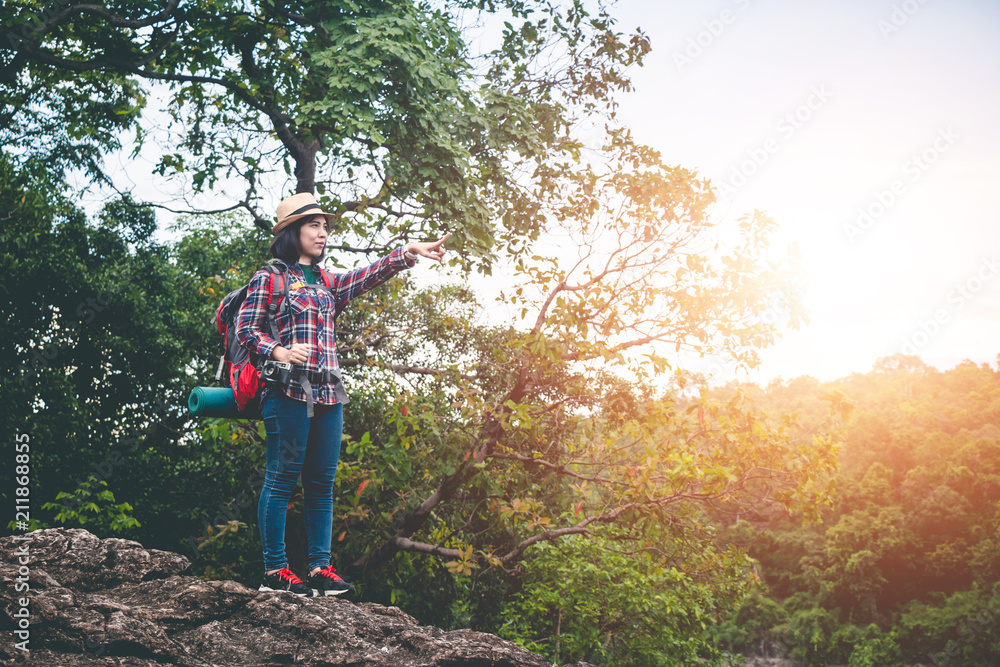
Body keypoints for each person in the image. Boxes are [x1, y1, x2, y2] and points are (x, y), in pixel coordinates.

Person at [236, 192, 448, 597]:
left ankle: (319, 568)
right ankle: (275, 571)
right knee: (281, 479)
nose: (322, 233)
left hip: (329, 393)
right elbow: (248, 329)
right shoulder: (272, 277)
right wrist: (279, 350)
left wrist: (409, 251)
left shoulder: (328, 281)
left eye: (325, 226)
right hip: (286, 392)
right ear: (291, 231)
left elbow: (369, 274)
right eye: (313, 225)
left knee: (321, 483)